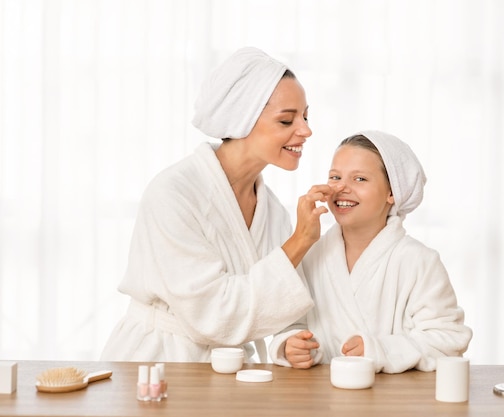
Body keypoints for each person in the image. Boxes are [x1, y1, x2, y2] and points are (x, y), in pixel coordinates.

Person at [100, 47, 337, 362]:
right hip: (157, 361)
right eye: (286, 120)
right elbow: (212, 313)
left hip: (227, 368)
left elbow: (282, 305)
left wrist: (287, 342)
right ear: (243, 119)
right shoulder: (174, 194)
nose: (306, 130)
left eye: (305, 116)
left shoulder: (273, 211)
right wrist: (300, 241)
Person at [269, 131, 473, 373]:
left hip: (392, 402)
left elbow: (447, 340)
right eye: (335, 177)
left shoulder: (419, 261)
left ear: (392, 193)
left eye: (360, 179)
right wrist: (292, 345)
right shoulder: (311, 254)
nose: (341, 188)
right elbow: (290, 321)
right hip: (322, 397)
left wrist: (379, 351)